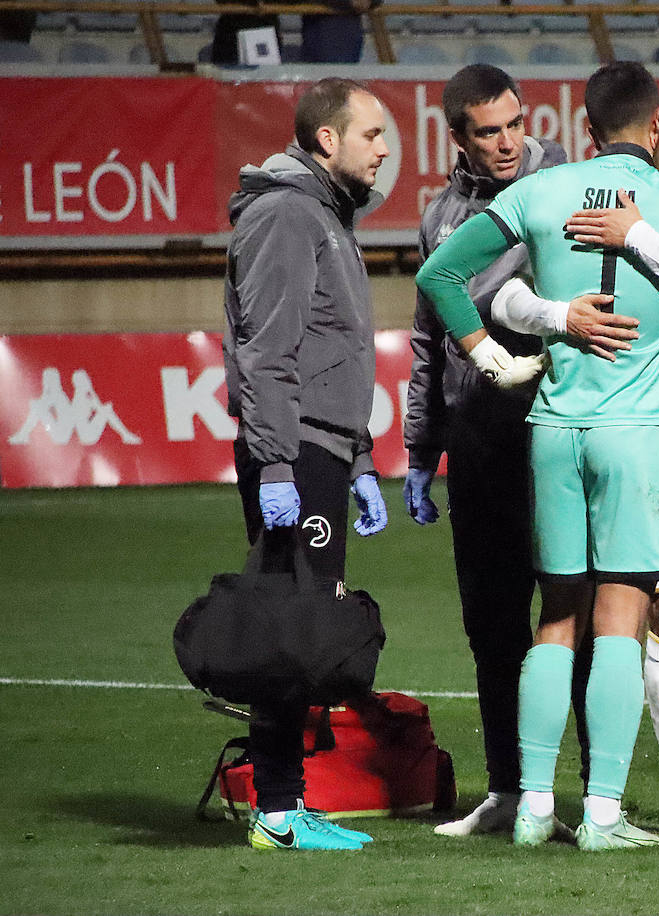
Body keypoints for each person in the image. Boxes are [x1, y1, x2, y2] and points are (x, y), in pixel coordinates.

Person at [414, 61, 659, 851]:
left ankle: (532, 806)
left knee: (554, 621)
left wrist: (490, 356)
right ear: (656, 125)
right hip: (636, 438)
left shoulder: (537, 191)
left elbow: (442, 274)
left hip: (554, 430)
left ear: (587, 128)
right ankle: (601, 812)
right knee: (620, 622)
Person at [402, 64, 632, 840]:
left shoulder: (571, 187)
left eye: (513, 124)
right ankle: (506, 788)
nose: (506, 143)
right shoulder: (439, 216)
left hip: (559, 419)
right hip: (480, 434)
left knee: (576, 611)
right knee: (491, 620)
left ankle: (601, 796)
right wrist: (418, 447)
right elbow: (429, 337)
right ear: (457, 136)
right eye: (488, 131)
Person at [222, 77, 391, 851]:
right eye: (373, 135)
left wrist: (356, 458)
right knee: (289, 628)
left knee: (303, 623)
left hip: (322, 449)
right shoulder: (287, 214)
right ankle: (278, 811)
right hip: (294, 454)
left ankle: (284, 803)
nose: (385, 150)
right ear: (328, 140)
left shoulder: (325, 215)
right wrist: (280, 466)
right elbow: (267, 353)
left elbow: (332, 350)